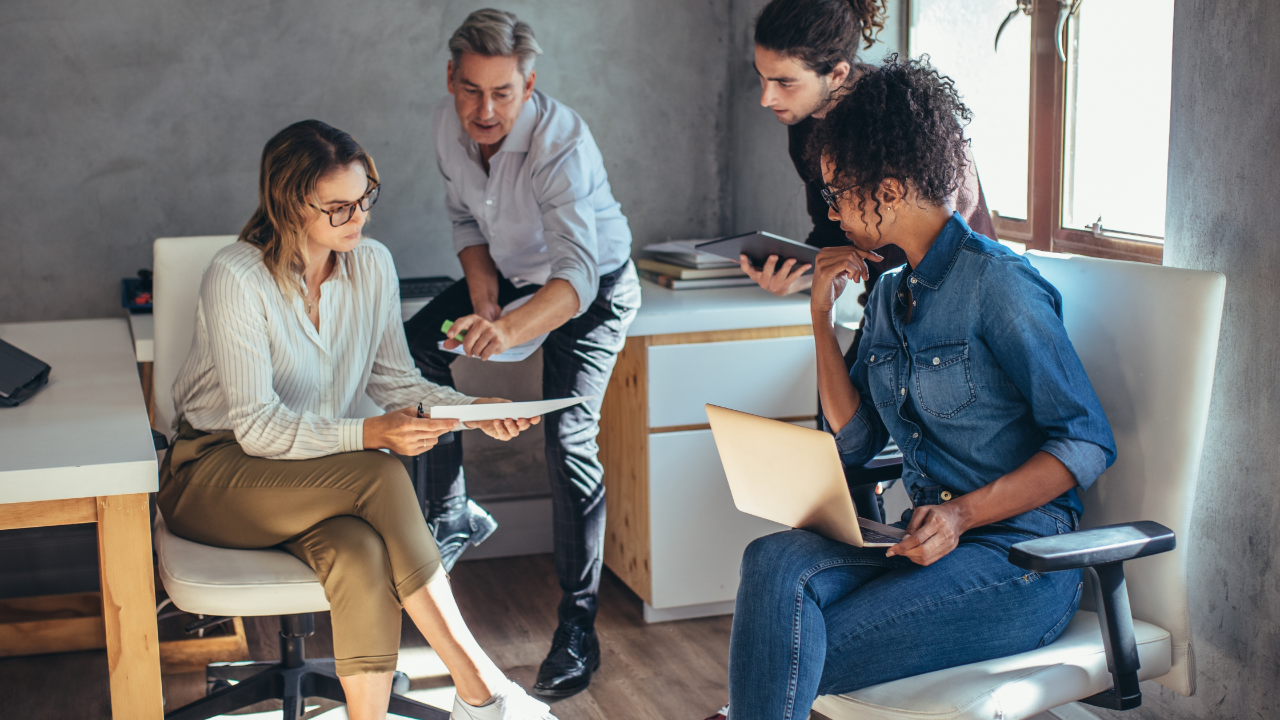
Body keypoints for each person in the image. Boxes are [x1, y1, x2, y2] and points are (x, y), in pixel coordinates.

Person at [723, 57, 1117, 719]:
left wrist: (962, 513)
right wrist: (819, 317)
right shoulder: (885, 294)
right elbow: (855, 442)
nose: (832, 212)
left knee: (790, 642)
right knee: (772, 560)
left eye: (838, 193)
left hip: (1020, 562)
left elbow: (1084, 441)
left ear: (894, 186)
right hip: (923, 542)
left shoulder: (997, 286)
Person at [160, 119, 556, 720]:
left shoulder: (370, 265)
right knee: (378, 471)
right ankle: (483, 689)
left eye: (364, 198)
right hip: (213, 472)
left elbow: (395, 381)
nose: (358, 219)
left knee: (362, 550)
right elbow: (259, 429)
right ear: (290, 203)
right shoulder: (236, 276)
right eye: (338, 208)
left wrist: (471, 412)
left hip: (307, 475)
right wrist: (373, 433)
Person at [402, 9, 640, 699]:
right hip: (514, 274)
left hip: (590, 289)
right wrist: (483, 298)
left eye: (503, 93)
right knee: (415, 349)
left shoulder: (560, 143)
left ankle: (578, 627)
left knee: (569, 441)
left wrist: (506, 332)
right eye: (471, 90)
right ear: (451, 78)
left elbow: (577, 278)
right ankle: (450, 512)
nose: (485, 110)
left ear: (529, 84)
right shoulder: (451, 128)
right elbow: (464, 220)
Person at [743, 0, 995, 331]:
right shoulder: (804, 122)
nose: (766, 98)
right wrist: (803, 274)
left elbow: (936, 232)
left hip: (954, 305)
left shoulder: (901, 116)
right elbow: (832, 228)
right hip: (885, 302)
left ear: (837, 73)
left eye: (784, 82)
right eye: (762, 77)